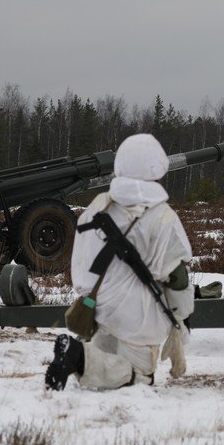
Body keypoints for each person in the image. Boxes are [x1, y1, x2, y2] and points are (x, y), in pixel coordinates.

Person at [45, 133, 195, 391]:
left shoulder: (99, 205)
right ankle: (79, 357)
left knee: (107, 355)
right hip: (138, 317)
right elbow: (177, 275)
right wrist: (182, 315)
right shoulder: (162, 215)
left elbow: (82, 255)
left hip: (98, 308)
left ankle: (85, 355)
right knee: (140, 376)